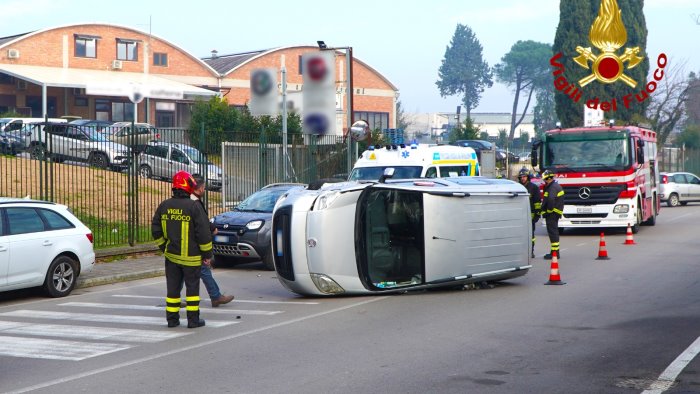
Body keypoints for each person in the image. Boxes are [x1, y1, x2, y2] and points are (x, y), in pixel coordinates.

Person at [152, 170, 212, 328]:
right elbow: (204, 233)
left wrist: (164, 247)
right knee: (192, 292)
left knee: (172, 291)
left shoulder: (164, 206)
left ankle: (172, 320)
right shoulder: (194, 206)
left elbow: (156, 229)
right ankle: (193, 321)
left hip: (171, 257)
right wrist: (207, 254)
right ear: (187, 186)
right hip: (191, 259)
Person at [191, 175, 234, 307]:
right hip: (194, 245)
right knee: (203, 270)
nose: (204, 190)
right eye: (203, 187)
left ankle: (174, 296)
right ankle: (216, 297)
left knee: (185, 272)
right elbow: (202, 223)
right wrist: (207, 254)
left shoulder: (188, 201)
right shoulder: (194, 203)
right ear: (199, 189)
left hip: (185, 245)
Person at [518, 167, 542, 258]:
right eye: (521, 177)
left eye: (524, 176)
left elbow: (537, 202)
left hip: (530, 217)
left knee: (530, 236)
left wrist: (537, 214)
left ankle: (530, 251)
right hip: (519, 216)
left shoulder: (534, 188)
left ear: (528, 177)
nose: (523, 178)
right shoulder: (517, 187)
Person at [541, 170, 565, 259]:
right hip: (555, 213)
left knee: (553, 233)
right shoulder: (554, 186)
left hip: (552, 214)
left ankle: (555, 253)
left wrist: (548, 211)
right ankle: (554, 251)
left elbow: (550, 200)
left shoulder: (552, 187)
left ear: (547, 179)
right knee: (553, 232)